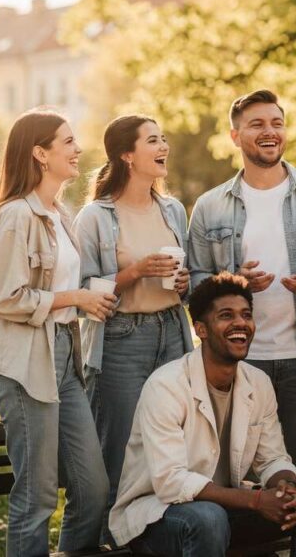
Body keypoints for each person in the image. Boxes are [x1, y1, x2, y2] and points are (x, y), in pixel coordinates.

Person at [186, 89, 296, 495]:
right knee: (237, 479)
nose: (270, 132)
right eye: (257, 124)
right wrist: (231, 282)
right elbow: (193, 283)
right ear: (235, 136)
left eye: (277, 123)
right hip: (238, 365)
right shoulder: (210, 206)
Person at [110, 272, 296, 556]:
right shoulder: (166, 386)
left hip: (225, 510)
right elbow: (171, 482)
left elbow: (273, 459)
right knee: (208, 518)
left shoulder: (257, 382)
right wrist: (256, 501)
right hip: (159, 516)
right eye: (226, 316)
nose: (240, 323)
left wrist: (287, 488)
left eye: (246, 315)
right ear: (201, 330)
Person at [0, 107, 112, 556]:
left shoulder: (59, 213)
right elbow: (5, 297)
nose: (78, 149)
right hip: (23, 363)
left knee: (93, 488)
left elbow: (61, 286)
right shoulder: (16, 216)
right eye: (67, 142)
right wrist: (75, 300)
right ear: (39, 153)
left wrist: (90, 296)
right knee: (36, 498)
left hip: (64, 356)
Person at [74, 114, 195, 535]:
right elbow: (79, 291)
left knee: (174, 442)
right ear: (127, 155)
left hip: (173, 331)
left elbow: (188, 278)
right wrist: (135, 272)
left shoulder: (173, 210)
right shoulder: (95, 217)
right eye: (152, 141)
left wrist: (184, 282)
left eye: (163, 138)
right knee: (121, 448)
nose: (163, 147)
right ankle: (110, 539)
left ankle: (159, 535)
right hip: (123, 339)